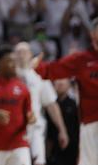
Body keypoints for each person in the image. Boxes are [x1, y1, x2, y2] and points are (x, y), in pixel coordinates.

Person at [34, 18, 98, 165]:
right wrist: (37, 66)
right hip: (91, 122)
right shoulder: (82, 59)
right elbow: (52, 70)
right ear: (92, 34)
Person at [14, 42, 69, 165]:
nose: (21, 55)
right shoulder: (8, 75)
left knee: (38, 161)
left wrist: (62, 129)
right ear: (13, 56)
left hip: (35, 128)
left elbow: (51, 104)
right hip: (13, 129)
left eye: (24, 52)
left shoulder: (38, 76)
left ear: (30, 55)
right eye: (18, 52)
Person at [46, 80, 79, 165]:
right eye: (57, 80)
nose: (60, 83)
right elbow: (48, 132)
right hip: (54, 151)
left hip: (72, 151)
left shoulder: (74, 105)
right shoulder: (49, 106)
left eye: (64, 80)